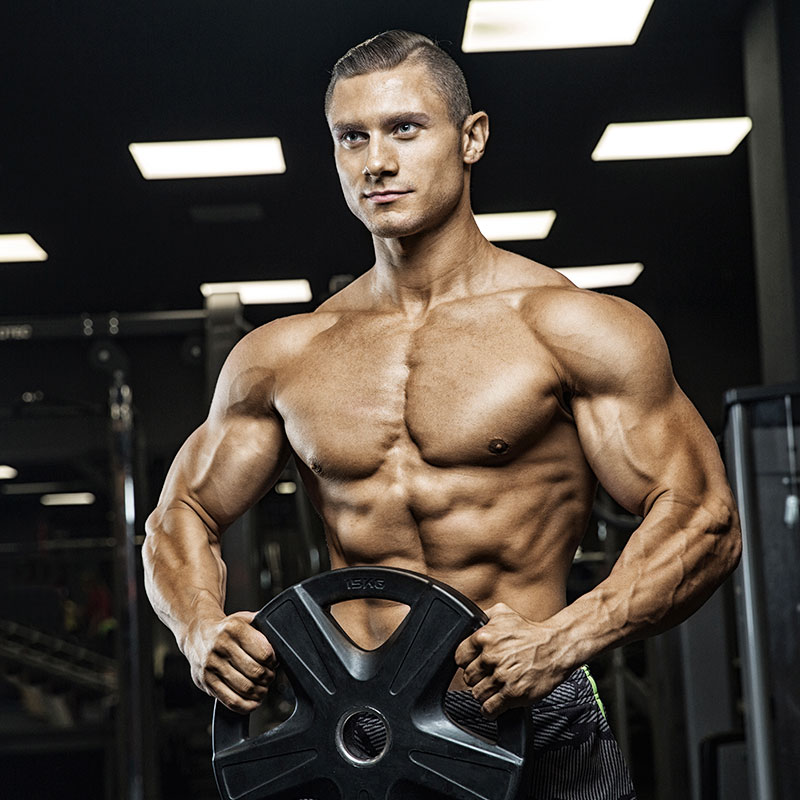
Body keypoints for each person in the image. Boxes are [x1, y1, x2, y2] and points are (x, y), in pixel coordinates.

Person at [143, 30, 741, 799]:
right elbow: (178, 513)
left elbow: (704, 519)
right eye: (351, 137)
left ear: (472, 138)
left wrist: (568, 638)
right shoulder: (285, 355)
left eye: (404, 129)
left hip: (526, 709)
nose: (376, 161)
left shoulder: (570, 328)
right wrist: (199, 628)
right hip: (361, 725)